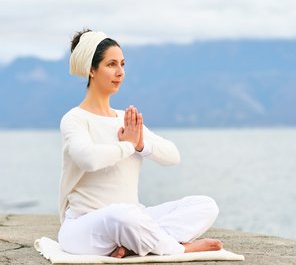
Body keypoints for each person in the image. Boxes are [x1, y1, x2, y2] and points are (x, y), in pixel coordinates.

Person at [58, 29, 222, 258]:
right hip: (85, 228)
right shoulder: (75, 119)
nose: (120, 72)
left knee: (205, 205)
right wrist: (127, 145)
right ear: (91, 70)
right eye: (111, 64)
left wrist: (140, 145)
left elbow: (173, 156)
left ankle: (135, 244)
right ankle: (178, 249)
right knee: (121, 215)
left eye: (122, 64)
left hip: (133, 217)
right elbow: (89, 159)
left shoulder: (125, 119)